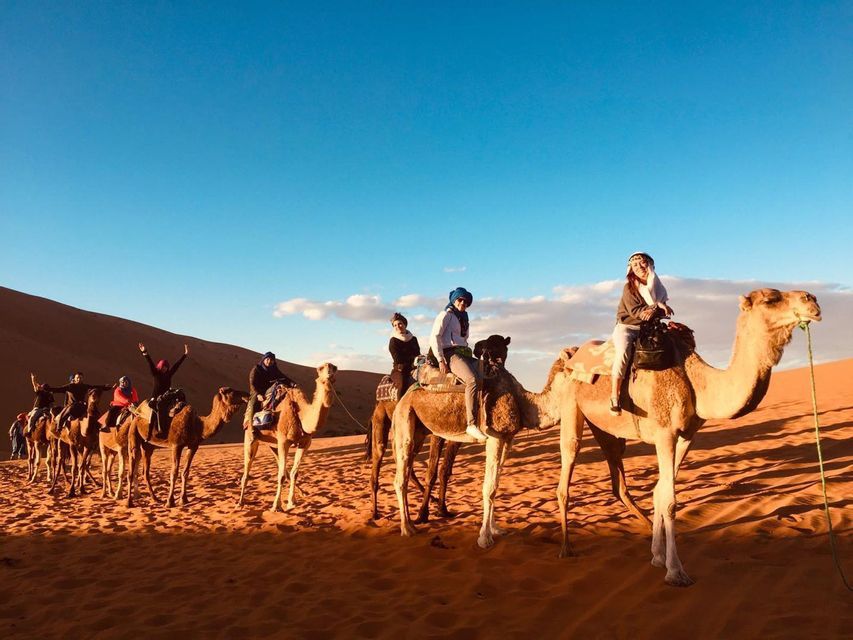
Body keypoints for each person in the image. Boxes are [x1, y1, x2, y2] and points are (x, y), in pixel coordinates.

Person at [610, 252, 673, 415]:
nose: (639, 267)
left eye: (642, 263)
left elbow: (660, 313)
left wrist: (659, 308)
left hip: (649, 329)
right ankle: (614, 396)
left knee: (675, 344)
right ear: (630, 269)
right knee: (623, 352)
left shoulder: (659, 288)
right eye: (635, 265)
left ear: (650, 265)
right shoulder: (629, 288)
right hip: (627, 328)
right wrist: (656, 306)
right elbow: (636, 312)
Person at [429, 287, 487, 442]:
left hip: (464, 353)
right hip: (451, 353)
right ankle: (471, 424)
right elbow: (435, 336)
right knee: (472, 380)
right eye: (460, 300)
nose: (463, 303)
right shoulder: (446, 315)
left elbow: (464, 339)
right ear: (454, 300)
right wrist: (440, 359)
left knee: (488, 372)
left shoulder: (464, 318)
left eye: (465, 301)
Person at [138, 343, 188, 436]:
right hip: (156, 397)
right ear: (160, 367)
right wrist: (145, 352)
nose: (165, 369)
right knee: (156, 409)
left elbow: (176, 366)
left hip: (167, 396)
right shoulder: (156, 374)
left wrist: (185, 355)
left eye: (166, 367)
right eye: (163, 367)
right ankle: (152, 431)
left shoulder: (169, 374)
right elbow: (150, 363)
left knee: (180, 396)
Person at [243, 351, 298, 429]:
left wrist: (293, 384)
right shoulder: (257, 369)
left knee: (281, 389)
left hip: (269, 390)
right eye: (267, 359)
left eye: (271, 360)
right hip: (257, 391)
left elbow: (283, 378)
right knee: (253, 404)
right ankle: (250, 426)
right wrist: (258, 394)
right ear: (264, 359)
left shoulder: (274, 369)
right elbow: (252, 384)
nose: (269, 361)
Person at [45, 372, 114, 431]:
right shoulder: (70, 386)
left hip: (81, 405)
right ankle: (59, 427)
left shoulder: (84, 386)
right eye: (77, 378)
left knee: (93, 410)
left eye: (80, 378)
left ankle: (98, 426)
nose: (79, 379)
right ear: (74, 379)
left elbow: (94, 387)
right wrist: (47, 389)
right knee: (64, 414)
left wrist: (106, 387)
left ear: (82, 379)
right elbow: (58, 389)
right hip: (71, 406)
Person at [388, 312, 420, 396]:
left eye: (400, 324)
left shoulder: (413, 339)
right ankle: (400, 406)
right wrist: (413, 361)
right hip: (400, 369)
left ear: (404, 324)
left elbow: (417, 354)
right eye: (395, 325)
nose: (398, 327)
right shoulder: (393, 341)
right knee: (402, 384)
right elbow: (398, 359)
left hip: (415, 366)